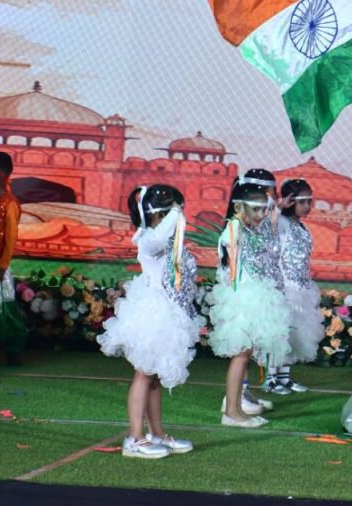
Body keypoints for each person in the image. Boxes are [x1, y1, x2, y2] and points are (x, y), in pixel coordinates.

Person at [98, 185, 201, 458]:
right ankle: (135, 439)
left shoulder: (167, 240)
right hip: (152, 313)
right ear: (158, 214)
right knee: (144, 374)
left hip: (169, 311)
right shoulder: (147, 239)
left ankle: (157, 433)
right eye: (171, 212)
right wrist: (175, 215)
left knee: (153, 376)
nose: (178, 217)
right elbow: (160, 237)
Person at [208, 177, 291, 427]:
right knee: (241, 355)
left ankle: (236, 408)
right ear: (238, 207)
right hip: (242, 299)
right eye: (256, 209)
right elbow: (230, 267)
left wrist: (273, 207)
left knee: (244, 355)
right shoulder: (234, 229)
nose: (261, 214)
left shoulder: (249, 228)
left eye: (264, 209)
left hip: (253, 298)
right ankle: (232, 412)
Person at [266, 178, 325, 394]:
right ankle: (271, 380)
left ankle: (285, 378)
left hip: (301, 289)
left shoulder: (301, 227)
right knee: (280, 334)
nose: (308, 206)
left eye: (310, 201)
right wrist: (278, 208)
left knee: (294, 333)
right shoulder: (280, 222)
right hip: (284, 288)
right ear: (290, 201)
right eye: (303, 202)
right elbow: (265, 229)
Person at [0, 152, 27, 366]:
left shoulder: (9, 203)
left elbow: (11, 238)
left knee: (3, 307)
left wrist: (2, 265)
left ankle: (14, 347)